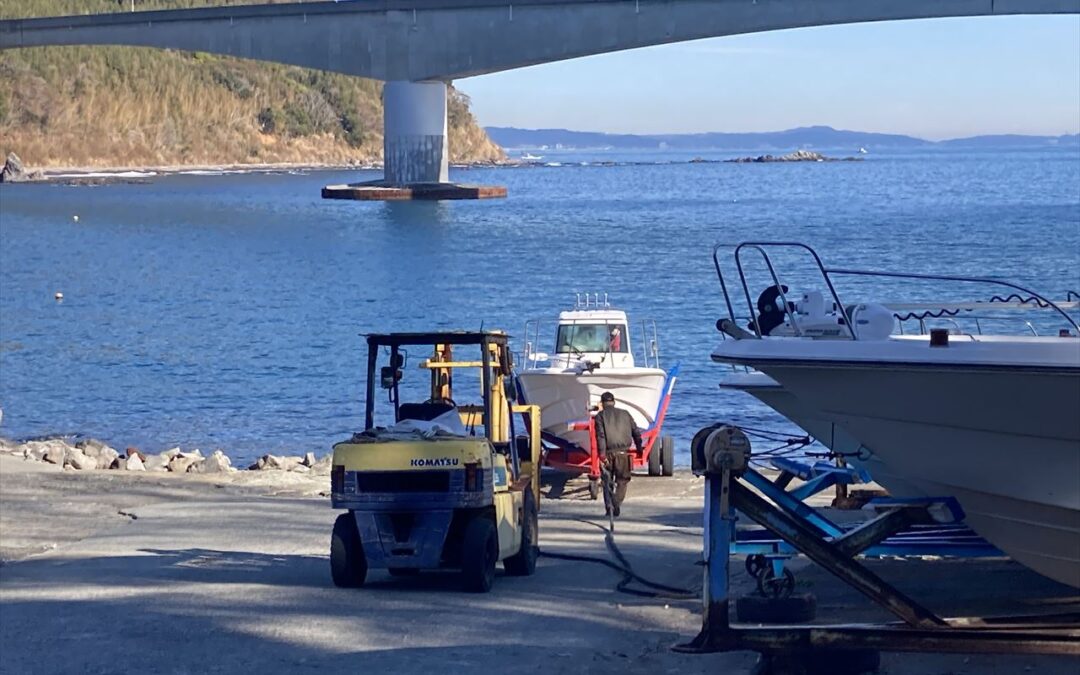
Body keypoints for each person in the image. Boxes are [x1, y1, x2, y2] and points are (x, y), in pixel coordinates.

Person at [594, 391, 642, 517]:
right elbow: (636, 432)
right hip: (623, 454)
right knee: (622, 481)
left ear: (602, 404)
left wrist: (602, 455)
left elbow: (601, 436)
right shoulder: (625, 414)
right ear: (614, 402)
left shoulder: (600, 416)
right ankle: (616, 503)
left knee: (607, 481)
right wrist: (639, 448)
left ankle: (610, 507)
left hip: (608, 453)